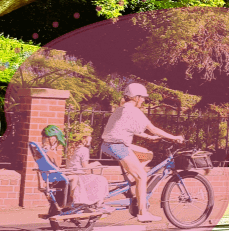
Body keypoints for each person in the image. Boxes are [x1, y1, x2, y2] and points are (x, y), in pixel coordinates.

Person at [100, 83, 185, 223]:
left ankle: (133, 180)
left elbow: (129, 129)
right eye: (143, 98)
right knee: (142, 176)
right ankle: (142, 213)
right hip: (118, 146)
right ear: (136, 97)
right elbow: (153, 129)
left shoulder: (122, 109)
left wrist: (149, 138)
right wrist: (174, 137)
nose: (144, 100)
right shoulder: (133, 111)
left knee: (147, 155)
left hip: (110, 145)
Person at [65, 123, 109, 207]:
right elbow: (85, 167)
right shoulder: (84, 150)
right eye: (89, 136)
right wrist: (96, 163)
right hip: (79, 177)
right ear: (84, 138)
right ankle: (99, 202)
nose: (91, 138)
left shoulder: (71, 148)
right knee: (101, 179)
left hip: (70, 174)